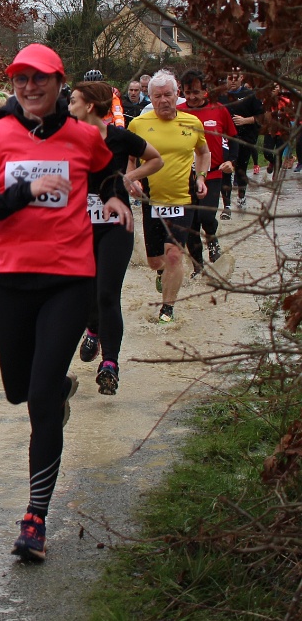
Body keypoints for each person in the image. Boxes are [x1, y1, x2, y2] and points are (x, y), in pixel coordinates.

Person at [0, 44, 132, 561]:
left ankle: (35, 518)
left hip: (67, 279)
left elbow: (105, 170)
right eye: (21, 79)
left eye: (40, 78)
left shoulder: (83, 136)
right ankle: (56, 390)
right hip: (9, 280)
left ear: (60, 83)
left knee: (37, 403)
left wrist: (115, 194)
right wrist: (26, 191)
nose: (30, 87)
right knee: (20, 390)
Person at [68, 80, 163, 395]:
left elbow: (156, 159)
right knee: (85, 293)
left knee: (108, 293)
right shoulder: (67, 139)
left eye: (73, 101)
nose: (69, 107)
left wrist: (129, 177)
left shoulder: (120, 137)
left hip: (115, 226)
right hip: (79, 228)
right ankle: (93, 328)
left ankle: (110, 364)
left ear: (89, 106)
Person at [128, 70, 210, 323]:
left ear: (177, 95)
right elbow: (130, 158)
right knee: (156, 261)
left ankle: (167, 309)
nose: (163, 100)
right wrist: (133, 179)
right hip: (152, 200)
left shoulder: (192, 123)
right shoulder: (138, 124)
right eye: (157, 96)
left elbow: (203, 153)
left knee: (175, 254)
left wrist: (201, 177)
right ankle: (161, 272)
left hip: (183, 199)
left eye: (168, 95)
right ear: (150, 98)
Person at [178, 69, 237, 274]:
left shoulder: (219, 109)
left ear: (205, 90)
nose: (192, 97)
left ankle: (212, 241)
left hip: (212, 173)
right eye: (187, 93)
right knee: (191, 223)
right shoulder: (177, 112)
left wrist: (231, 161)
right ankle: (198, 267)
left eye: (196, 92)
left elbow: (233, 138)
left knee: (206, 216)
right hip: (185, 175)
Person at [219, 67, 263, 214]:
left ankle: (241, 196)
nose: (232, 81)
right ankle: (226, 205)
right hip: (225, 139)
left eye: (235, 78)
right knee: (225, 170)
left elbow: (261, 117)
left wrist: (245, 120)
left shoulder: (250, 95)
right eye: (229, 78)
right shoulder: (220, 96)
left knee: (240, 170)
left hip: (244, 138)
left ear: (241, 78)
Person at [262, 82, 292, 177]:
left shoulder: (286, 101)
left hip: (283, 132)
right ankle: (272, 162)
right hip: (270, 131)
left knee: (278, 154)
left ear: (280, 88)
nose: (274, 88)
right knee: (267, 153)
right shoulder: (266, 100)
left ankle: (275, 176)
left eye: (276, 86)